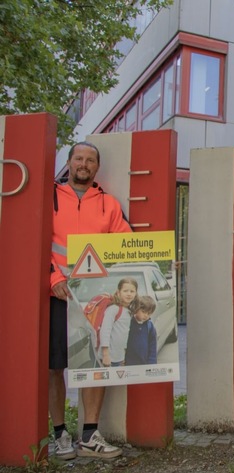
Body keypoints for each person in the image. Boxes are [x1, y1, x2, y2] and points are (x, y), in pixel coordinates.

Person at [49, 141, 130, 459]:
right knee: (55, 367)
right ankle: (59, 435)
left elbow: (128, 246)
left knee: (96, 363)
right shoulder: (49, 198)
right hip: (57, 294)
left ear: (97, 167)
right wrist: (53, 279)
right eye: (78, 158)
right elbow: (35, 242)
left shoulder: (109, 204)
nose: (84, 163)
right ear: (69, 163)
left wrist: (160, 264)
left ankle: (89, 435)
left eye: (91, 160)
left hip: (94, 298)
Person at [99, 278, 138, 367]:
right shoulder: (114, 309)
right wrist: (105, 355)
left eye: (132, 291)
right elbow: (105, 331)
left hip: (118, 358)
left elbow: (123, 335)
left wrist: (122, 356)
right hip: (108, 358)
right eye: (125, 291)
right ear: (118, 292)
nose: (129, 294)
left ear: (136, 294)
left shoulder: (128, 311)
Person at [125, 295, 158, 366]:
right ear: (136, 309)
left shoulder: (150, 326)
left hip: (144, 363)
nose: (146, 315)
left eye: (149, 313)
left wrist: (152, 363)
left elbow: (152, 347)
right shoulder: (129, 323)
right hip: (129, 363)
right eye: (143, 312)